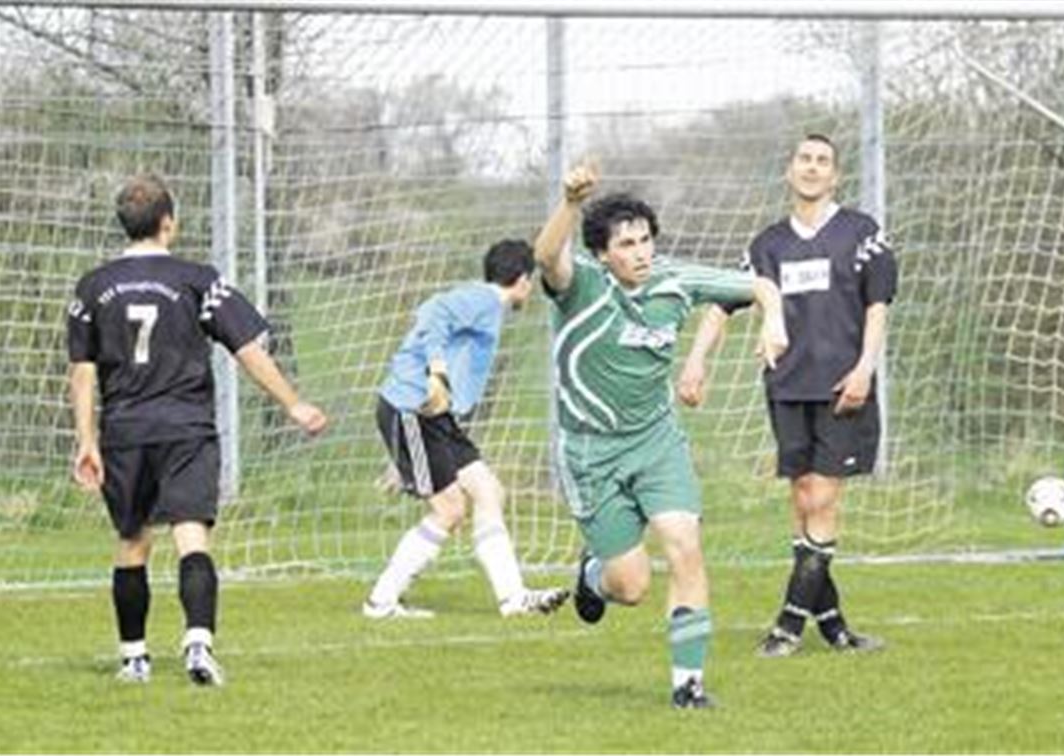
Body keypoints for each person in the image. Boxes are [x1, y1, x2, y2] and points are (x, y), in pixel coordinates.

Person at [534, 160, 788, 709]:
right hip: (590, 452)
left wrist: (774, 321)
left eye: (646, 239)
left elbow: (762, 285)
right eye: (626, 244)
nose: (641, 252)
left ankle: (687, 684)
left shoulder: (674, 280)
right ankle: (593, 573)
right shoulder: (580, 286)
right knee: (630, 586)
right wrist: (571, 202)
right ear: (603, 253)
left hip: (655, 441)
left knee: (685, 546)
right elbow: (546, 256)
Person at [67, 174, 328, 686]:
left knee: (133, 544)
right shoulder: (197, 280)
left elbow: (83, 371)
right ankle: (198, 647)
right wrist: (293, 404)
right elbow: (248, 350)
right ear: (169, 223)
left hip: (125, 431)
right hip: (186, 428)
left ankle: (135, 658)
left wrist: (87, 440)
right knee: (192, 538)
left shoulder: (92, 288)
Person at [678, 133, 898, 658]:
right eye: (805, 159)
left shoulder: (862, 233)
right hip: (786, 388)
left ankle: (788, 625)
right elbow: (721, 304)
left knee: (821, 499)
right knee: (802, 503)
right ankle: (837, 628)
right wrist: (696, 359)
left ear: (835, 175)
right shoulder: (766, 245)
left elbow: (878, 305)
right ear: (789, 170)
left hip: (844, 386)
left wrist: (866, 367)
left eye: (823, 161)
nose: (813, 168)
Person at [363, 240, 570, 620]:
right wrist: (437, 371)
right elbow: (432, 313)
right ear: (523, 280)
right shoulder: (483, 300)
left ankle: (514, 598)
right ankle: (381, 601)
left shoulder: (487, 305)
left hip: (436, 419)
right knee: (450, 510)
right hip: (413, 408)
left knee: (488, 491)